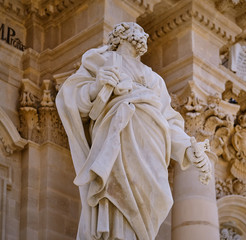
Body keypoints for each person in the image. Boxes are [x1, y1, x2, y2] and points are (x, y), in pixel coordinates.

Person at [56, 22, 211, 240]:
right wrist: (95, 87)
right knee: (115, 202)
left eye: (141, 31)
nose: (140, 32)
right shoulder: (101, 60)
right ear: (118, 36)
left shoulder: (154, 79)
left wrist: (187, 148)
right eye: (132, 29)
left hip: (152, 147)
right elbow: (69, 97)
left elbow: (169, 121)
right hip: (116, 139)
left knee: (154, 200)